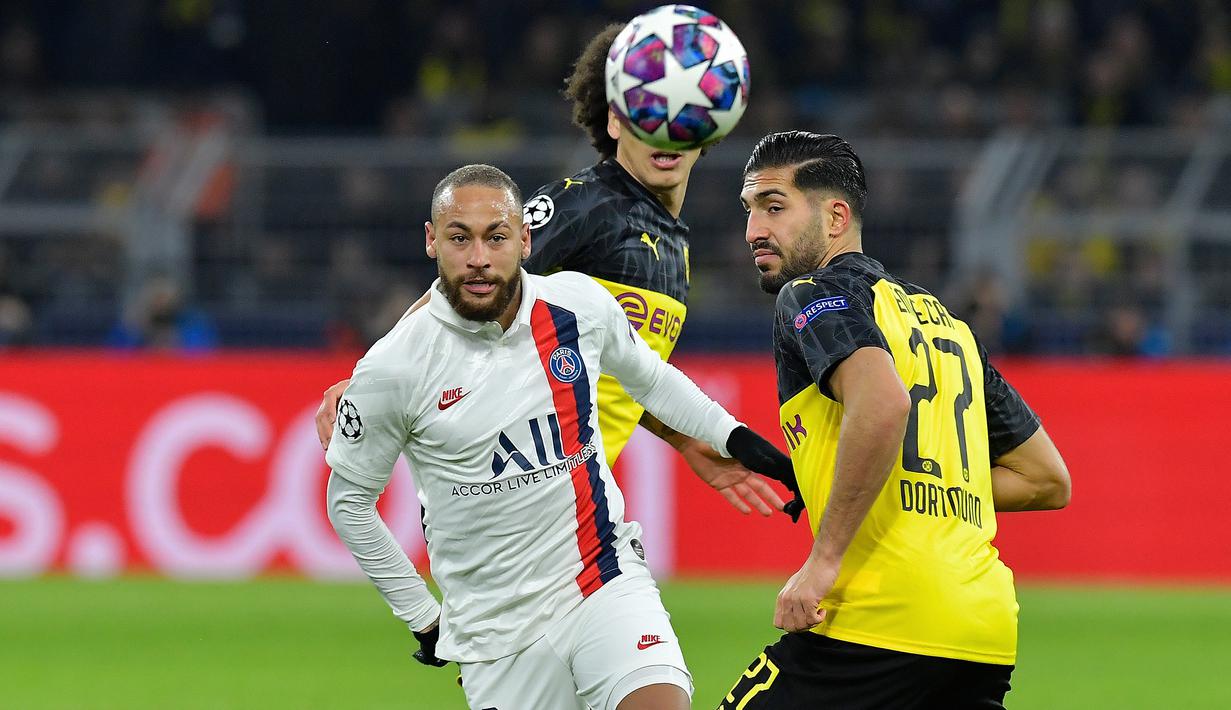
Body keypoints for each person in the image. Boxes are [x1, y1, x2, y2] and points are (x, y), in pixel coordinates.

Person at [326, 164, 796, 710]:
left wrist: (735, 437)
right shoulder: (395, 367)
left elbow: (651, 379)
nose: (479, 258)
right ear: (432, 241)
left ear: (525, 238)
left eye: (496, 237)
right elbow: (349, 503)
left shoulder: (577, 304)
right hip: (495, 633)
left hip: (601, 579)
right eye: (460, 238)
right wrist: (424, 619)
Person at [316, 23, 795, 519]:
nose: (664, 134)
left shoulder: (674, 246)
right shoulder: (582, 203)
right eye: (646, 115)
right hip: (510, 497)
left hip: (568, 505)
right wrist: (368, 376)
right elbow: (457, 285)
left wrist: (685, 439)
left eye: (681, 121)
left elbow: (609, 368)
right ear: (613, 122)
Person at [720, 131, 1072, 709]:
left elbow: (882, 404)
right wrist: (872, 483)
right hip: (981, 631)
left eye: (774, 207)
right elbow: (1046, 479)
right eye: (750, 209)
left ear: (837, 218)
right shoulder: (949, 326)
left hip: (879, 620)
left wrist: (822, 560)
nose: (753, 230)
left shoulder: (812, 293)